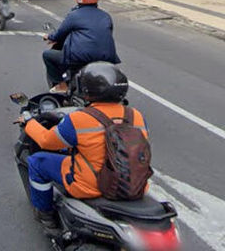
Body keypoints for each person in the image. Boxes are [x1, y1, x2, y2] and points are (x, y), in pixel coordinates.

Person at [21, 62, 148, 233]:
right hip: (134, 184)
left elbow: (46, 141)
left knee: (37, 162)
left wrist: (29, 122)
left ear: (87, 91)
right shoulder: (136, 116)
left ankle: (46, 215)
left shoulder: (79, 119)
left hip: (91, 186)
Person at [43, 0, 119, 92]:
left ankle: (62, 85)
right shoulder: (106, 16)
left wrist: (49, 37)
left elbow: (60, 34)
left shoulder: (74, 15)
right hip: (106, 58)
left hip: (80, 58)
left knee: (47, 55)